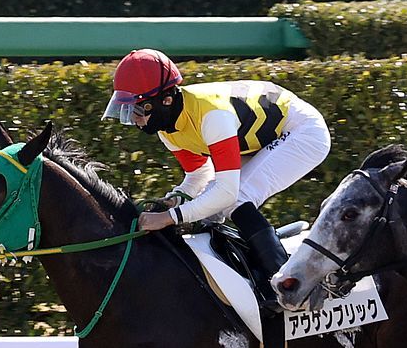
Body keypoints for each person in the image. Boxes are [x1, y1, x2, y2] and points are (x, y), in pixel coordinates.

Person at [102, 48, 331, 307]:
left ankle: (289, 286)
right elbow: (199, 173)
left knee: (236, 198)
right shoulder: (167, 128)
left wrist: (169, 217)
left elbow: (227, 192)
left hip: (302, 131)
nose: (133, 119)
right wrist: (176, 198)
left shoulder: (212, 116)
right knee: (211, 210)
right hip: (262, 138)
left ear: (164, 100)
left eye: (137, 109)